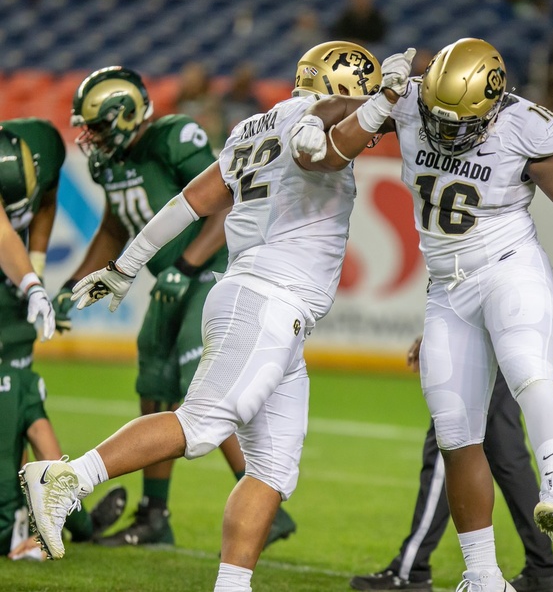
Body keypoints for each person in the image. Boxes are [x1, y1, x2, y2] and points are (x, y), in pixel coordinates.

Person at [18, 41, 400, 592]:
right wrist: (385, 98)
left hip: (264, 300)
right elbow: (329, 130)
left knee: (271, 469)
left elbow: (190, 201)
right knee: (200, 425)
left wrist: (127, 265)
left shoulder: (252, 126)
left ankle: (232, 586)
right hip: (267, 299)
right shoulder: (314, 119)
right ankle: (68, 478)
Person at [288, 37, 553, 591]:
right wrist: (313, 118)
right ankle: (483, 576)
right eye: (438, 117)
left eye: (460, 121)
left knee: (529, 373)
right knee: (455, 433)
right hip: (447, 290)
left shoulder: (522, 126)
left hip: (509, 270)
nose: (446, 130)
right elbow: (334, 110)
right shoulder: (410, 99)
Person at [50, 66, 295, 549]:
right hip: (171, 279)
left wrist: (185, 265)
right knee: (154, 381)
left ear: (126, 115)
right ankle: (154, 514)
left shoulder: (174, 137)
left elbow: (226, 203)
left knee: (198, 383)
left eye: (97, 126)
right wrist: (76, 281)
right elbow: (115, 227)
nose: (90, 137)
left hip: (215, 270)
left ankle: (268, 507)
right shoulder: (110, 164)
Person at [350, 337, 553, 592]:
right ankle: (544, 570)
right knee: (507, 456)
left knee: (450, 444)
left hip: (478, 346)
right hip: (509, 344)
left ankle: (410, 570)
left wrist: (439, 334)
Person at [2, 364, 127, 561]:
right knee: (57, 480)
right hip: (8, 534)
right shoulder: (20, 384)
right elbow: (53, 466)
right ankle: (85, 527)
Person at [0, 121, 59, 365]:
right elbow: (2, 233)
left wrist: (36, 269)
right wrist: (32, 285)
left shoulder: (46, 145)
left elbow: (45, 203)